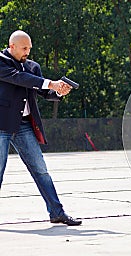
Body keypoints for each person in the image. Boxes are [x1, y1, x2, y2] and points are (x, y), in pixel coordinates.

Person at [0, 30, 81, 226]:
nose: (28, 51)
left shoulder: (32, 66)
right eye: (24, 48)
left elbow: (44, 92)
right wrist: (51, 83)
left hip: (25, 125)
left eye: (29, 48)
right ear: (12, 47)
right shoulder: (1, 62)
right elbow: (19, 78)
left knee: (41, 170)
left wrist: (59, 91)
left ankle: (57, 212)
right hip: (1, 125)